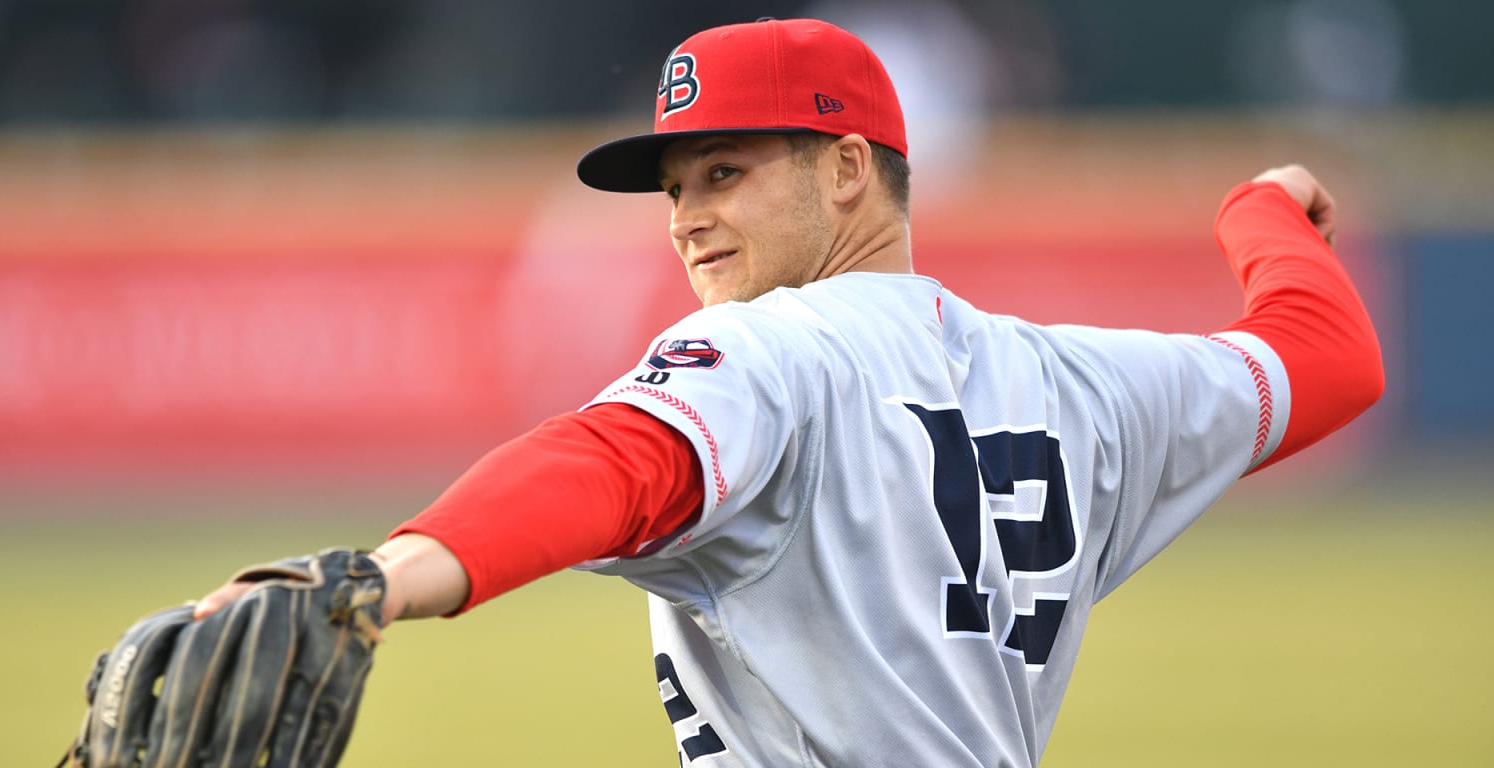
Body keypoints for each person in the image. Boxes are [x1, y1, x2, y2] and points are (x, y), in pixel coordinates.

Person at [193, 17, 1384, 767]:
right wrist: (1263, 214)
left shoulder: (775, 353)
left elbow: (606, 463)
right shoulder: (1082, 383)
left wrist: (382, 577)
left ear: (850, 170)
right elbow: (1327, 359)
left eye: (725, 170)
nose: (686, 218)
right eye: (670, 188)